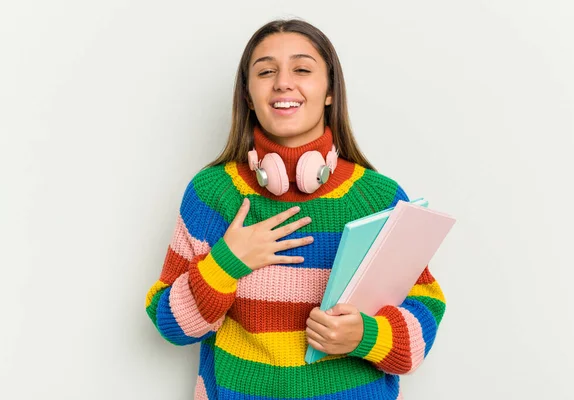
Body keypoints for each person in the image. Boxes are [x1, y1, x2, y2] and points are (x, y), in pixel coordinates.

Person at [145, 18, 446, 400]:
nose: (283, 82)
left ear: (330, 91)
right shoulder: (212, 194)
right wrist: (225, 263)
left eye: (302, 69)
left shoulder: (377, 196)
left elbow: (426, 308)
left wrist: (367, 336)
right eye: (266, 71)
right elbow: (172, 326)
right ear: (248, 95)